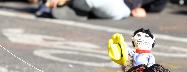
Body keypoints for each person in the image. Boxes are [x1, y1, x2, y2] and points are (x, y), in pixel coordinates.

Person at [35, 0, 168, 20]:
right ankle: (79, 9)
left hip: (121, 6)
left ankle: (70, 4)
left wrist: (145, 9)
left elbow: (159, 5)